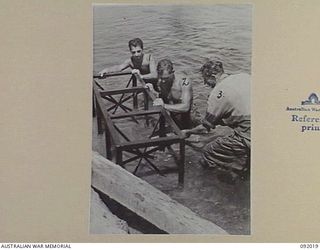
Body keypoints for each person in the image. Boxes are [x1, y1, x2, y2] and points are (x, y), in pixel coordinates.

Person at [182, 60, 251, 177]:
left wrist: (188, 131)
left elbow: (205, 127)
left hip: (249, 135)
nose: (205, 83)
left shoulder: (218, 93)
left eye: (205, 79)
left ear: (213, 76)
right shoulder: (243, 76)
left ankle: (215, 182)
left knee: (209, 151)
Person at [143, 59, 193, 129]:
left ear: (173, 72)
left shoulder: (184, 82)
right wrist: (153, 91)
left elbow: (186, 107)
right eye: (161, 78)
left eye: (166, 78)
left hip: (187, 119)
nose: (163, 81)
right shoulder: (161, 81)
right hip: (172, 116)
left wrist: (164, 105)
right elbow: (165, 97)